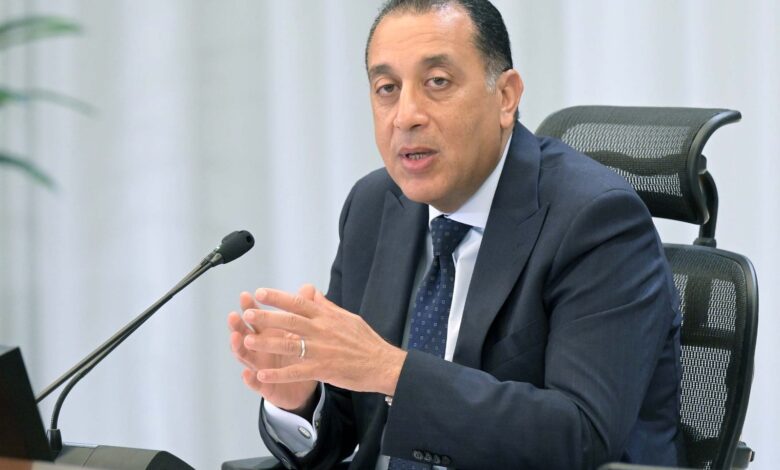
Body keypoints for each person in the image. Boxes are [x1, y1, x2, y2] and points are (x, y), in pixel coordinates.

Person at [227, 1, 684, 468]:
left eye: (437, 82)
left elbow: (580, 437)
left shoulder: (596, 221)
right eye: (387, 89)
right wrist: (300, 400)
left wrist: (392, 371)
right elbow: (353, 416)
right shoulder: (374, 206)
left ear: (505, 96)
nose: (406, 116)